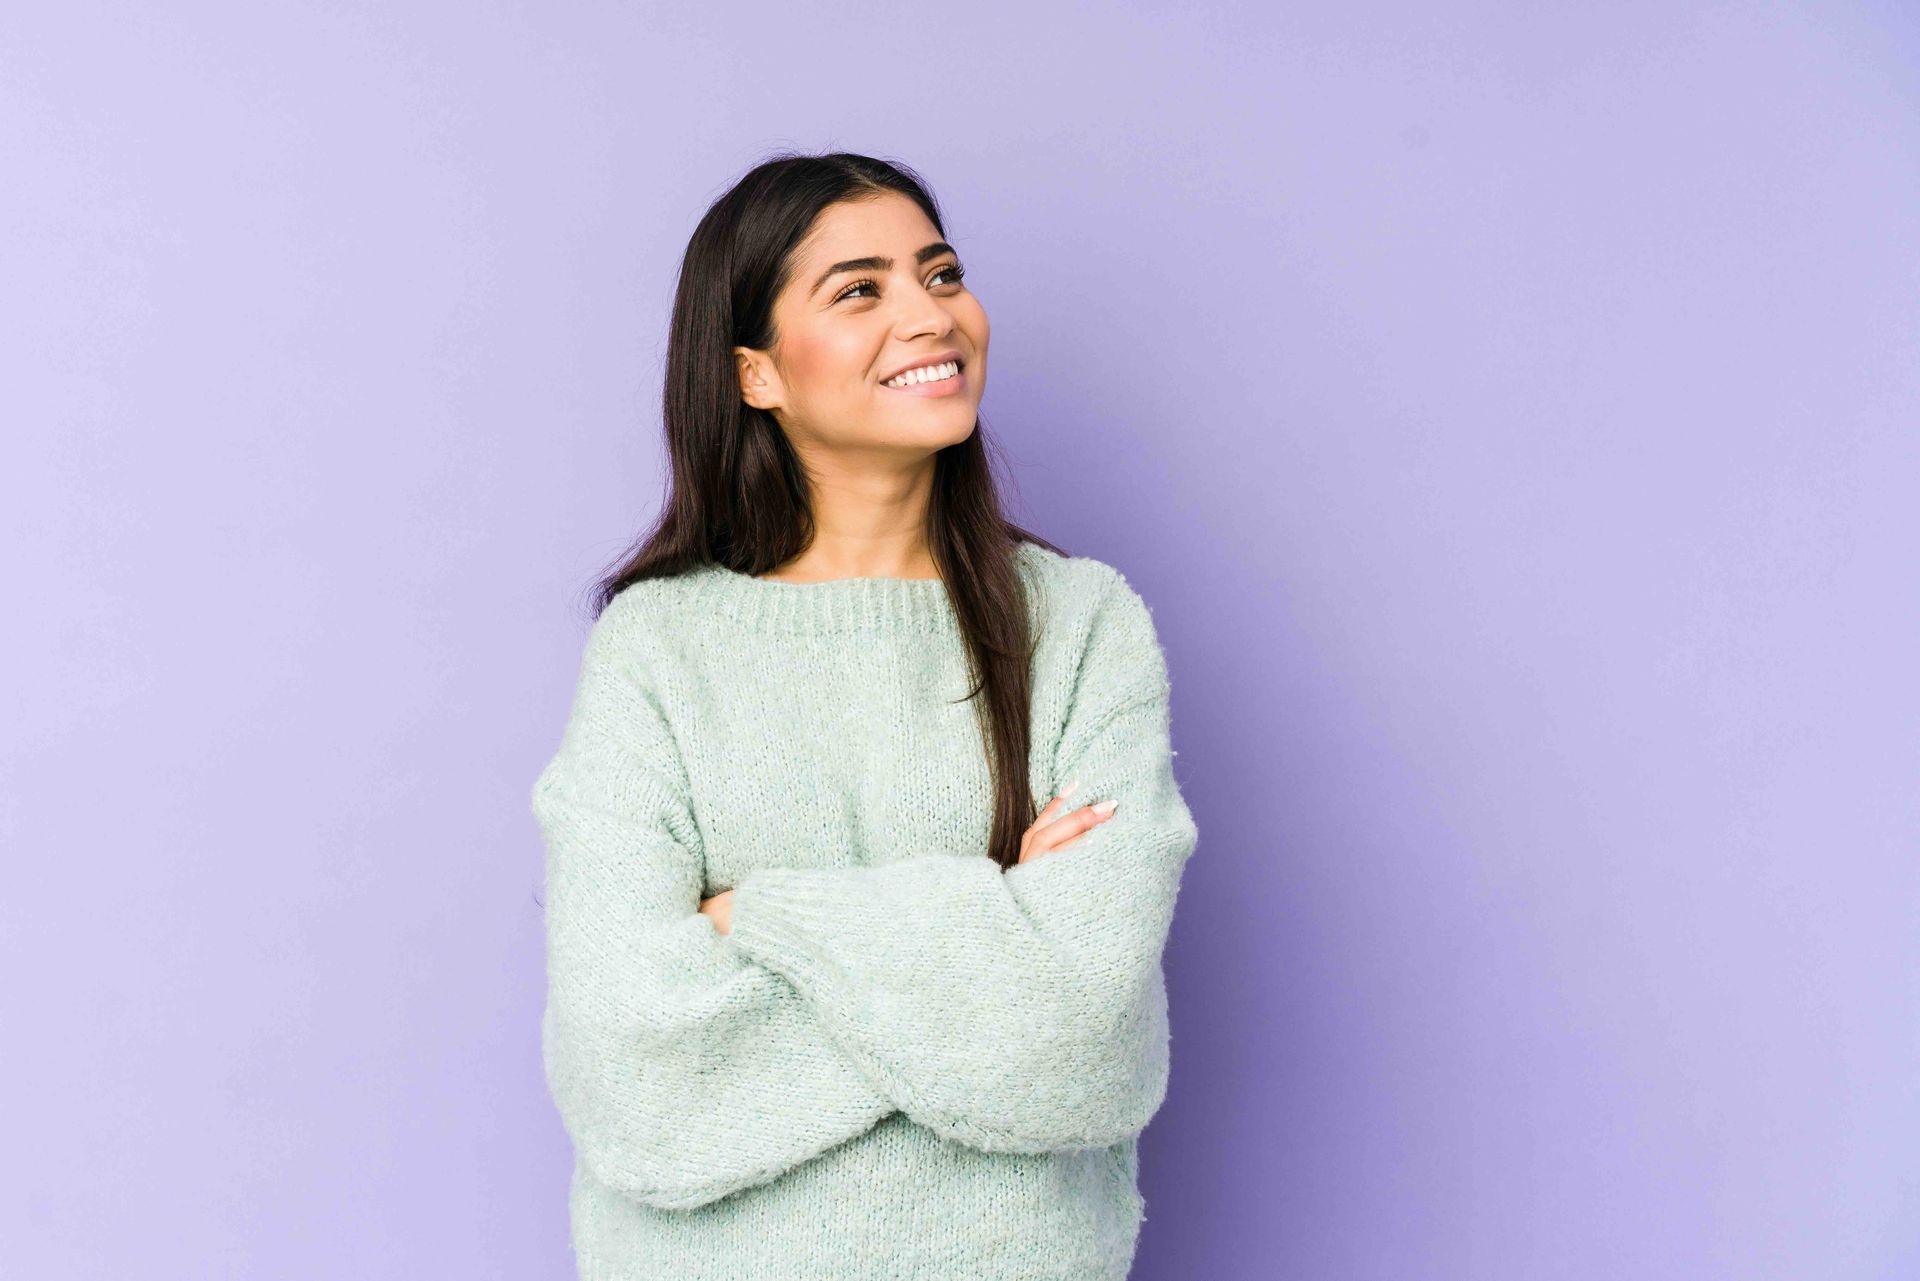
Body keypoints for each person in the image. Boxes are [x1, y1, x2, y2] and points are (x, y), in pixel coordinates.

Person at [531, 150, 1199, 1281]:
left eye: (940, 273)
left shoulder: (1084, 624)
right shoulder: (657, 647)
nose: (929, 315)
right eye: (860, 290)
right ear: (756, 374)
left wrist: (754, 918)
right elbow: (631, 1067)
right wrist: (988, 931)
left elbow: (1082, 1038)